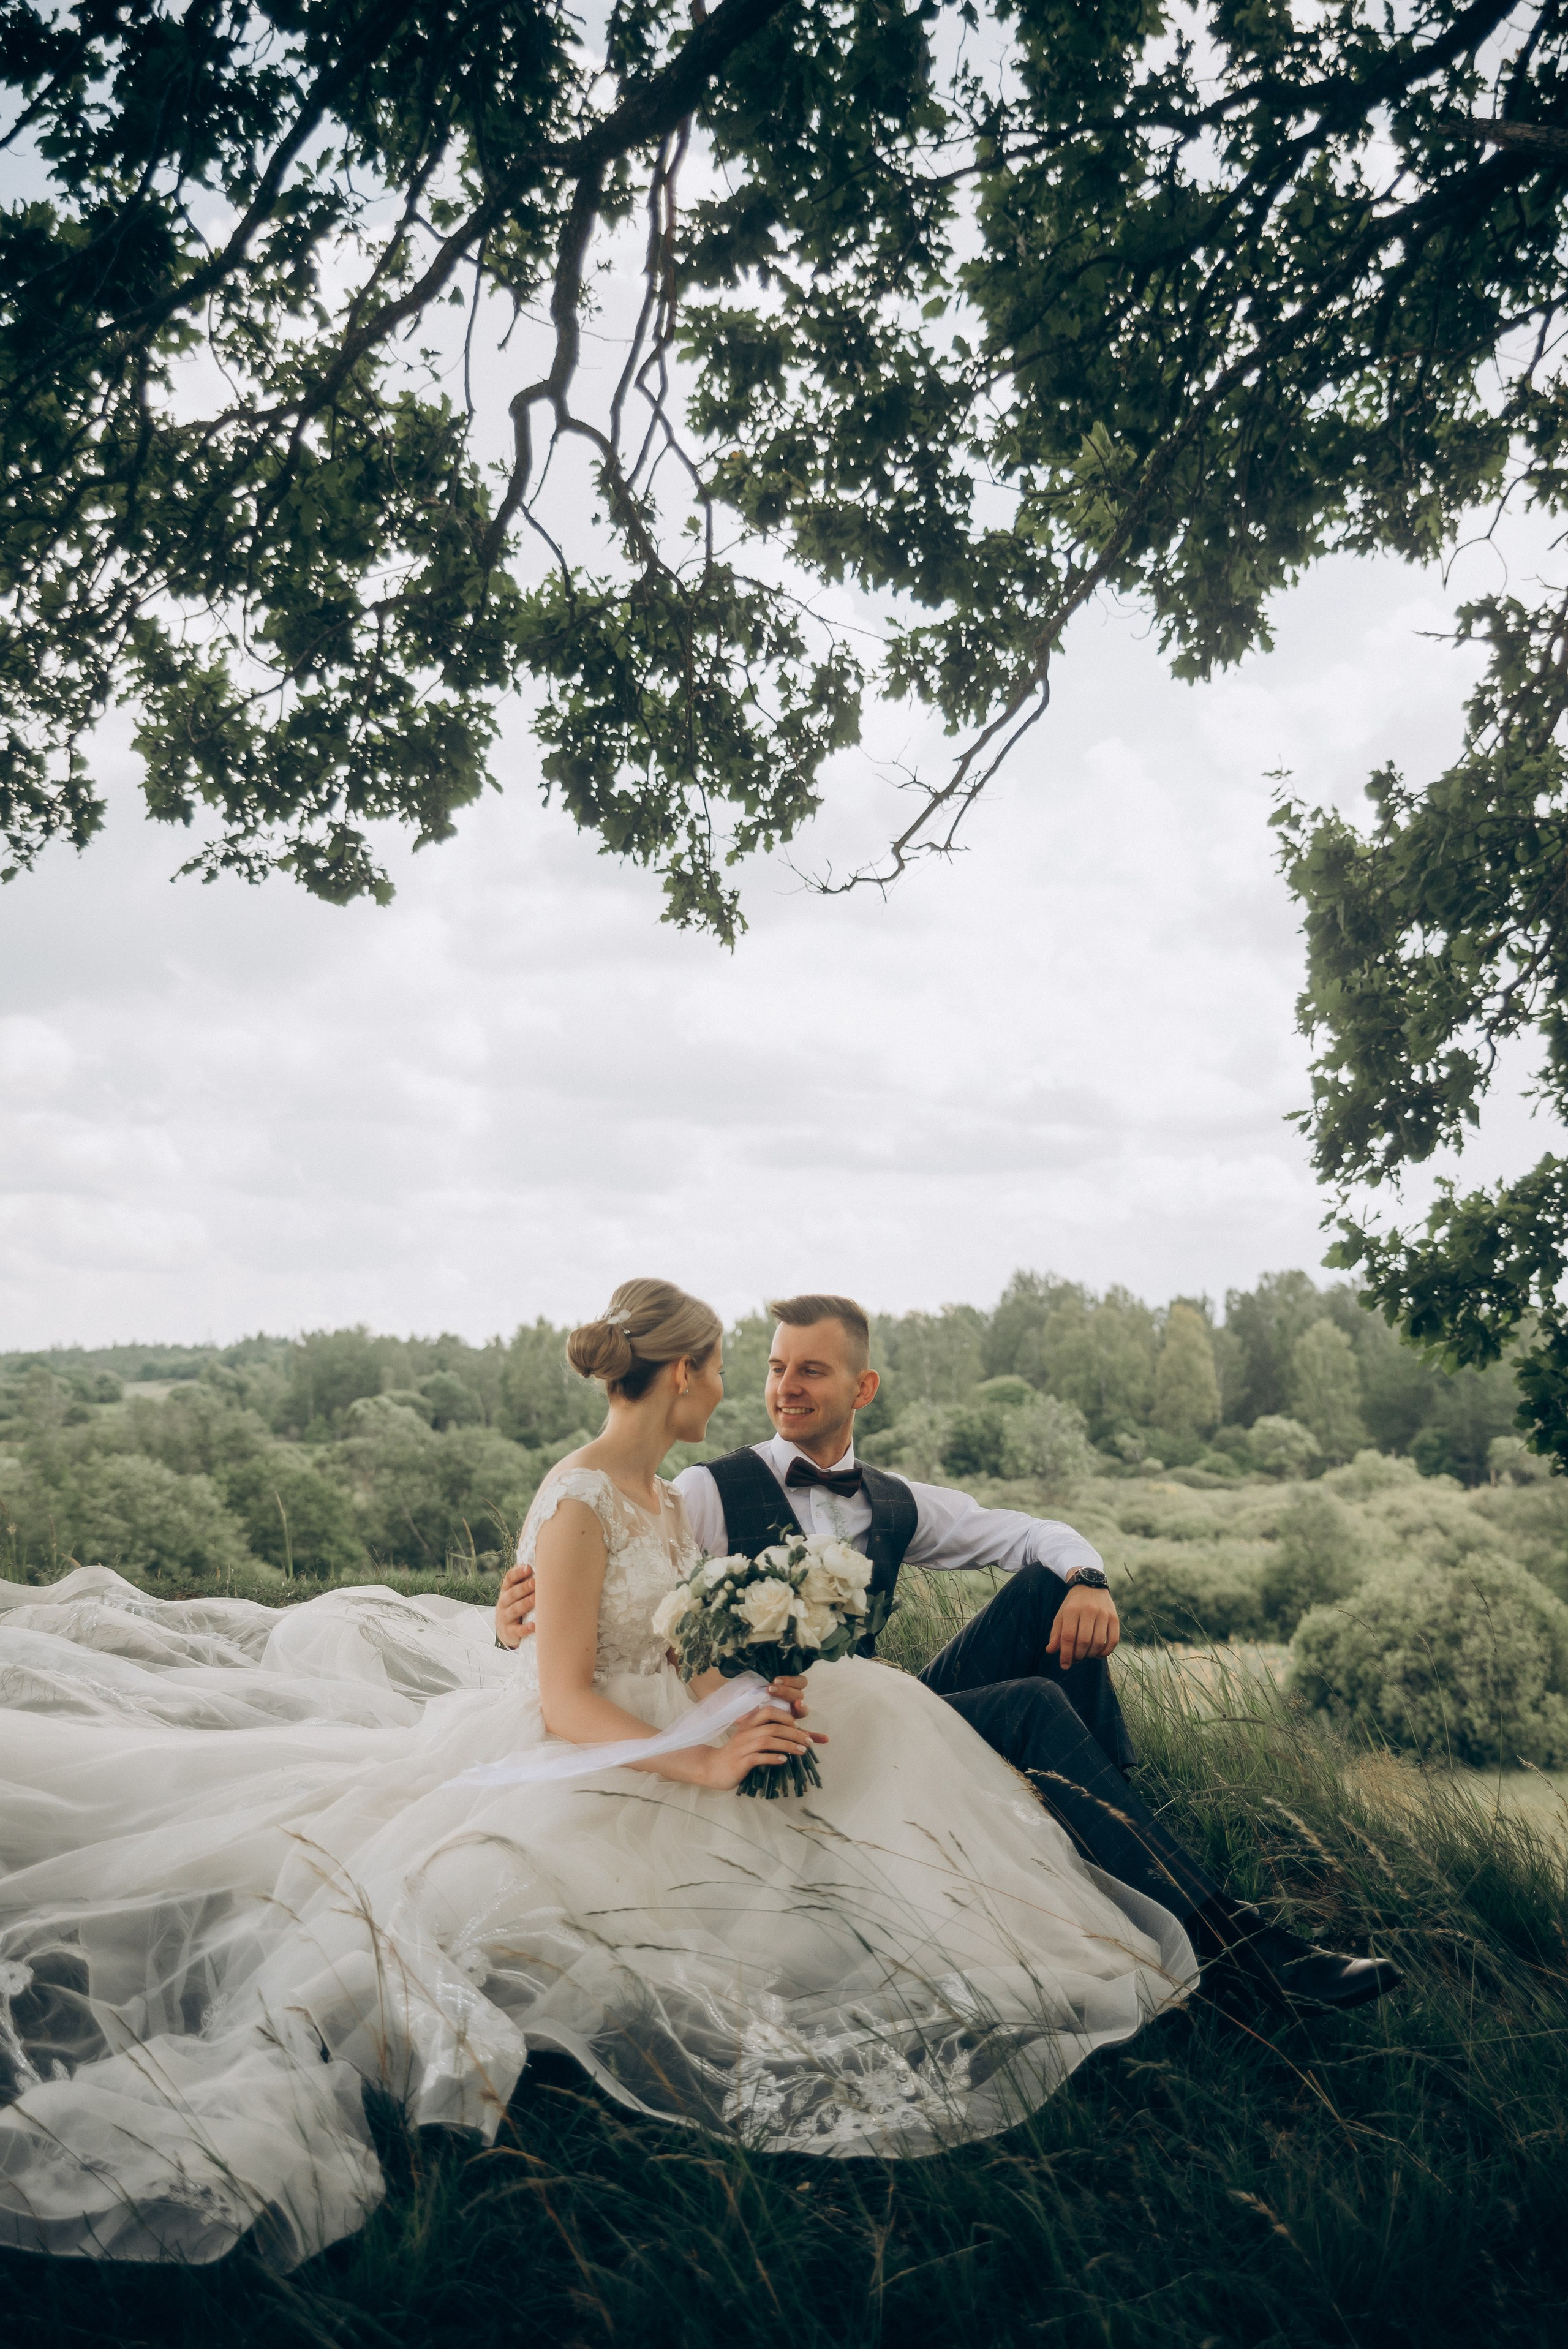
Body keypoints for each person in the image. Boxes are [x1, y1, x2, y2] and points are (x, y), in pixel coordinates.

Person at [0, 1278, 1196, 2270]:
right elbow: (569, 1689)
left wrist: (752, 1680)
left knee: (936, 1727)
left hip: (678, 1721)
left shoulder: (669, 1509)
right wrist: (694, 1743)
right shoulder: (591, 1495)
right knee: (533, 1919)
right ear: (680, 1374)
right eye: (733, 1365)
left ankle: (1120, 1872)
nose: (744, 1389)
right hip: (600, 1750)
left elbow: (668, 1637)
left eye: (785, 1369)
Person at [494, 1292, 1401, 2014]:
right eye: (770, 1370)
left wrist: (1089, 1574)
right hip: (778, 1719)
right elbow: (608, 1607)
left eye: (811, 1370)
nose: (781, 1388)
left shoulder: (896, 1501)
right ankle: (1231, 1940)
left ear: (864, 1387)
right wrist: (513, 1611)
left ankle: (1107, 1811)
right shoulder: (693, 1489)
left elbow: (1032, 1531)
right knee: (1034, 1711)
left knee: (1053, 1582)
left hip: (854, 1700)